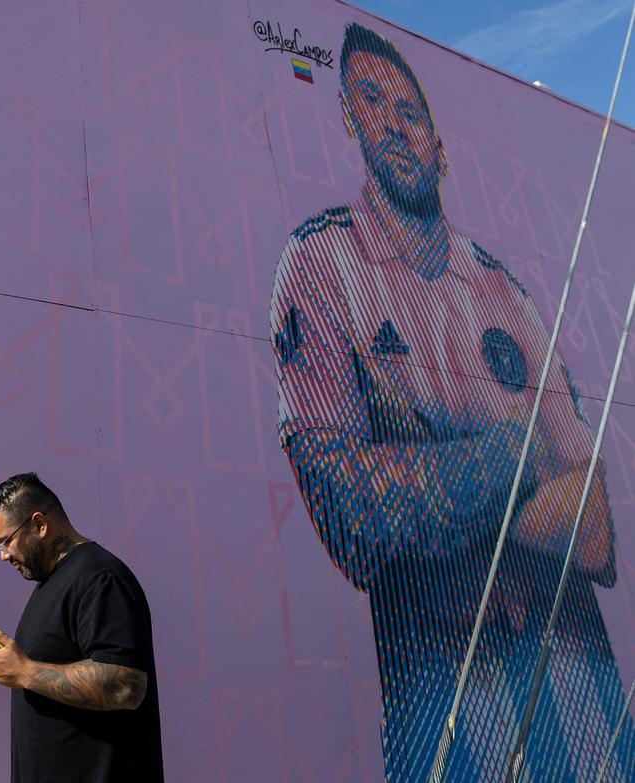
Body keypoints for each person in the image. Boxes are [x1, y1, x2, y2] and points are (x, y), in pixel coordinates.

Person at [271, 22, 634, 782]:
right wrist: (515, 452)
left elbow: (595, 531)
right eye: (373, 101)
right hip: (439, 703)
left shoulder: (509, 291)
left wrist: (429, 485)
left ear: (442, 144)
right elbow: (353, 514)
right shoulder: (319, 266)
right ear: (347, 118)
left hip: (578, 694)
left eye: (413, 110)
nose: (397, 124)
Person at [0, 472, 164, 782]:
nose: (3, 556)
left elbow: (126, 685)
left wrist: (25, 671)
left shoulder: (99, 578)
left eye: (6, 541)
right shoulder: (51, 583)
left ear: (39, 524)